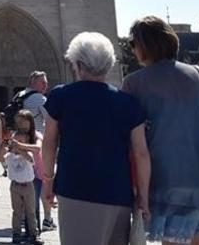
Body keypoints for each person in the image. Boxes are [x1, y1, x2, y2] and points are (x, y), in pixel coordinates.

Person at [123, 16, 199, 245]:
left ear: (144, 45)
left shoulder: (135, 83)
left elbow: (127, 140)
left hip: (163, 183)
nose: (132, 50)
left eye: (132, 44)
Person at [41, 31, 149, 245]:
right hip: (118, 192)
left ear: (78, 65)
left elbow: (49, 143)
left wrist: (47, 181)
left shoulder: (61, 96)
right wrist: (143, 197)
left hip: (75, 188)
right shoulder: (129, 103)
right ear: (109, 65)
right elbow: (141, 152)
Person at [2, 111, 44, 244]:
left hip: (36, 174)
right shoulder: (17, 135)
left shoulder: (36, 135)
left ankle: (33, 233)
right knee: (18, 210)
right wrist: (6, 147)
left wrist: (19, 146)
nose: (20, 124)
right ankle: (20, 233)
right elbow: (4, 156)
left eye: (23, 121)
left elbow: (37, 148)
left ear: (30, 121)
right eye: (18, 122)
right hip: (17, 180)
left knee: (32, 208)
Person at [19, 70, 54, 230]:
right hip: (37, 148)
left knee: (23, 182)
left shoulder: (19, 96)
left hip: (19, 146)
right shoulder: (40, 99)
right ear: (33, 82)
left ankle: (24, 217)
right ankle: (46, 220)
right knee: (43, 183)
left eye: (46, 82)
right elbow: (50, 120)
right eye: (42, 82)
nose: (45, 85)